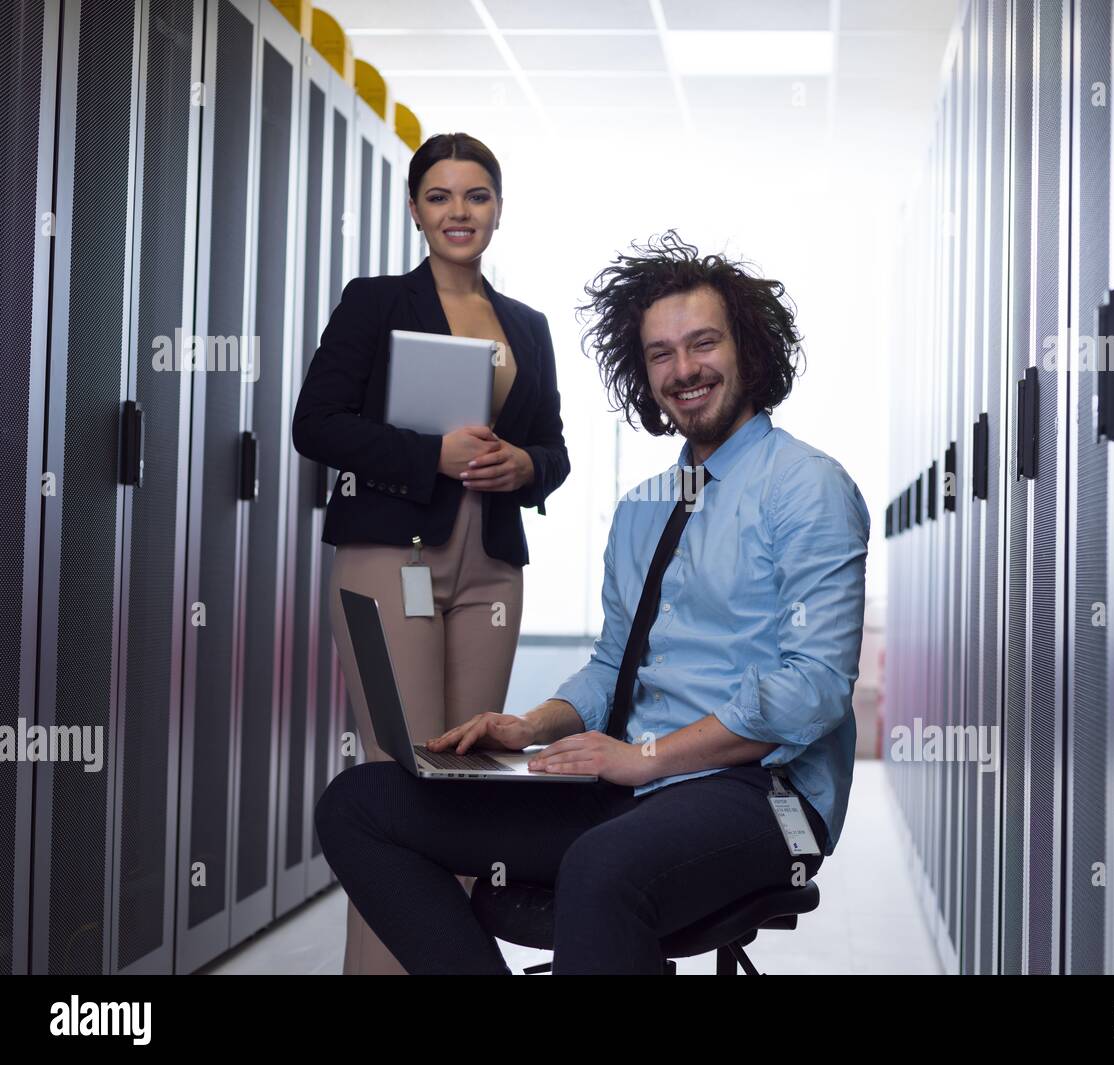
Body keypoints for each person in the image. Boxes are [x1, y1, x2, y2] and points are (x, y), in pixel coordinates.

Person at [313, 230, 870, 975]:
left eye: (703, 344)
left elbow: (813, 690)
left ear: (749, 351)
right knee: (361, 803)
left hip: (765, 792)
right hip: (633, 782)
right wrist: (528, 724)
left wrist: (646, 757)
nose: (683, 370)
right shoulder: (644, 508)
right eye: (660, 354)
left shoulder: (808, 487)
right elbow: (614, 665)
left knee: (601, 866)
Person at [292, 132, 570, 974]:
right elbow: (318, 423)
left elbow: (553, 448)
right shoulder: (375, 302)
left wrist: (527, 466)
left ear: (497, 208)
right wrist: (429, 457)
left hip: (489, 564)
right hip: (390, 563)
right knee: (400, 784)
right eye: (441, 196)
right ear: (415, 208)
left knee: (464, 785)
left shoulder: (528, 323)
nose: (460, 212)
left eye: (476, 196)